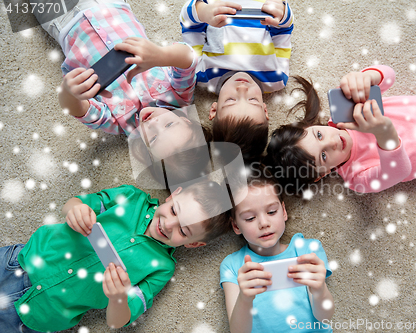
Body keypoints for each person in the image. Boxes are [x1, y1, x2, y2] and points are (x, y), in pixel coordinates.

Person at [0, 181, 231, 332]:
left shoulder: (162, 268)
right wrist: (76, 210)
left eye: (183, 230)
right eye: (173, 211)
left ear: (194, 244)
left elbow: (117, 321)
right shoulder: (131, 197)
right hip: (19, 262)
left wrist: (118, 297)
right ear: (174, 195)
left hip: (40, 316)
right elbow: (73, 204)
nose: (168, 225)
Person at [264, 65, 416, 194]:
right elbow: (397, 171)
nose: (332, 142)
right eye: (323, 155)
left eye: (318, 135)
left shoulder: (346, 106)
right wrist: (384, 133)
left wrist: (367, 76)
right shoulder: (357, 178)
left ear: (313, 125)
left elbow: (389, 75)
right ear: (323, 174)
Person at [31, 0, 209, 162]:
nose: (154, 124)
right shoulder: (179, 96)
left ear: (146, 150)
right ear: (186, 120)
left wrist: (69, 93)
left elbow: (78, 110)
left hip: (63, 23)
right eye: (169, 124)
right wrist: (161, 56)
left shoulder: (117, 123)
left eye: (153, 139)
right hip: (110, 6)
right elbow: (189, 59)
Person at [220, 166, 335, 332]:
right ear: (236, 226)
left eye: (272, 212)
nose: (264, 223)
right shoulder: (232, 265)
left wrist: (319, 290)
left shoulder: (307, 249)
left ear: (284, 212)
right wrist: (245, 299)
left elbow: (325, 317)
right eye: (250, 218)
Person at [179, 0, 295, 162]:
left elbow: (189, 24)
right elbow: (284, 32)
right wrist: (284, 15)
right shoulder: (277, 78)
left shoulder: (201, 74)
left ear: (214, 109)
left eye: (231, 99)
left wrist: (203, 12)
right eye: (252, 100)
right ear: (265, 109)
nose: (242, 88)